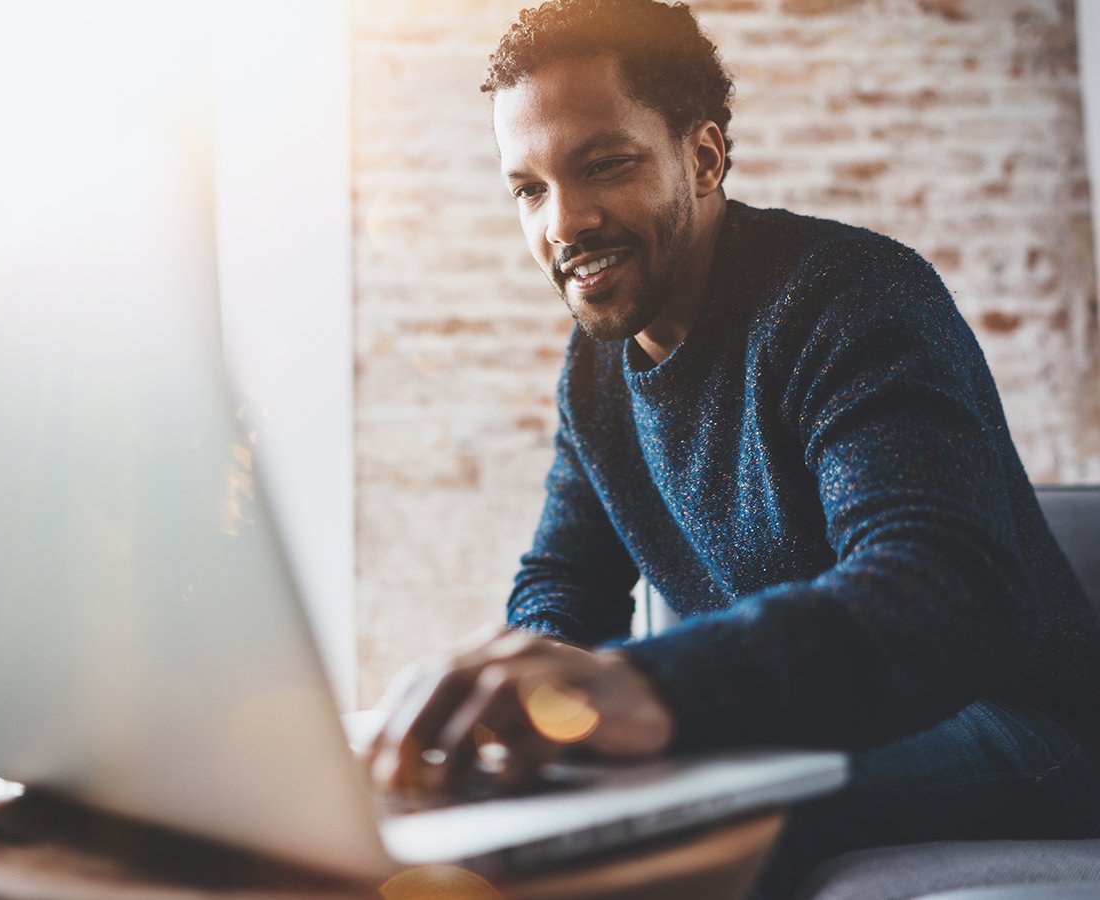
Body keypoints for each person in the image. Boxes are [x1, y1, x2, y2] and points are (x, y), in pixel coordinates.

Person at [367, 0, 1100, 895]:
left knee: (659, 827)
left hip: (1029, 733)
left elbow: (936, 591)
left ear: (704, 157)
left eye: (604, 165)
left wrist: (651, 688)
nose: (563, 223)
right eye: (529, 188)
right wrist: (516, 709)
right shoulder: (596, 372)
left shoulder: (850, 297)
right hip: (824, 725)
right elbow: (565, 583)